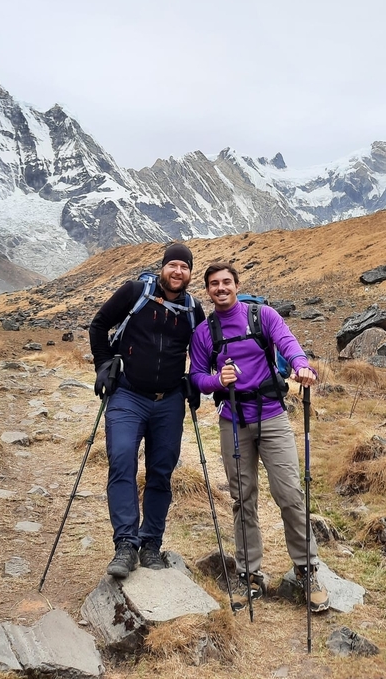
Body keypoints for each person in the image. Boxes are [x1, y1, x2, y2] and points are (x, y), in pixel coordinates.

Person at [189, 261, 329, 612]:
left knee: (290, 493)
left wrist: (300, 366)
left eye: (226, 282)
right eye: (213, 284)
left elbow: (288, 344)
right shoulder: (204, 332)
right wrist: (217, 382)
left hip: (272, 415)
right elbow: (196, 379)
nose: (220, 288)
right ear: (207, 290)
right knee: (242, 498)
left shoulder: (262, 316)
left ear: (237, 285)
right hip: (232, 420)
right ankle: (249, 573)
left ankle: (306, 569)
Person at [89, 242, 205, 578]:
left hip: (169, 401)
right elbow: (99, 325)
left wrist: (195, 383)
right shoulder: (134, 292)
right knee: (122, 459)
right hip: (127, 395)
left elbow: (201, 352)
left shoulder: (193, 309)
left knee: (161, 471)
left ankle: (150, 543)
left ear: (189, 273)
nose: (178, 271)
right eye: (173, 265)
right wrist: (103, 365)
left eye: (184, 267)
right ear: (163, 267)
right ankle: (126, 544)